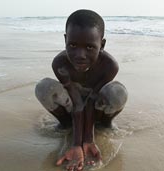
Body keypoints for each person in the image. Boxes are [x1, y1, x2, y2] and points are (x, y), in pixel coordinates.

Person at [35, 9, 128, 171]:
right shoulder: (60, 64)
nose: (80, 55)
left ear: (102, 45)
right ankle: (65, 124)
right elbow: (77, 102)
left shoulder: (109, 66)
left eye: (90, 47)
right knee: (44, 87)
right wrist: (76, 144)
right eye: (72, 45)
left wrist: (89, 140)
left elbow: (91, 100)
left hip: (96, 107)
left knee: (117, 92)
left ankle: (105, 125)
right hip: (73, 106)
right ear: (65, 40)